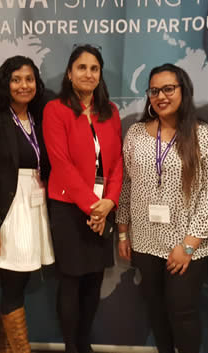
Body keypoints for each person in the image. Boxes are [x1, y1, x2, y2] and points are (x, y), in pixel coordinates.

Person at [116, 64, 208, 353]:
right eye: (154, 90)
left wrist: (189, 245)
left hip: (186, 244)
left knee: (183, 312)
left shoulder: (204, 135)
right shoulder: (137, 134)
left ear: (183, 91)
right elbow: (127, 184)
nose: (161, 96)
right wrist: (123, 232)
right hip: (144, 241)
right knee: (156, 310)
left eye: (168, 89)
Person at [42, 45, 123, 353]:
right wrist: (93, 207)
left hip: (104, 207)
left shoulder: (110, 111)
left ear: (100, 75)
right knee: (72, 281)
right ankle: (72, 347)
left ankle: (85, 344)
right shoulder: (56, 110)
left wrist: (110, 203)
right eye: (81, 67)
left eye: (94, 68)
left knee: (94, 280)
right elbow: (60, 164)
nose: (88, 73)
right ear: (69, 73)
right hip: (69, 209)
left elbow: (117, 164)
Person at [0, 56, 54, 353]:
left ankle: (1, 347)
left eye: (29, 79)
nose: (23, 85)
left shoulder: (38, 116)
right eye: (16, 79)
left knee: (18, 283)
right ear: (5, 83)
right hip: (8, 212)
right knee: (13, 284)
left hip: (35, 208)